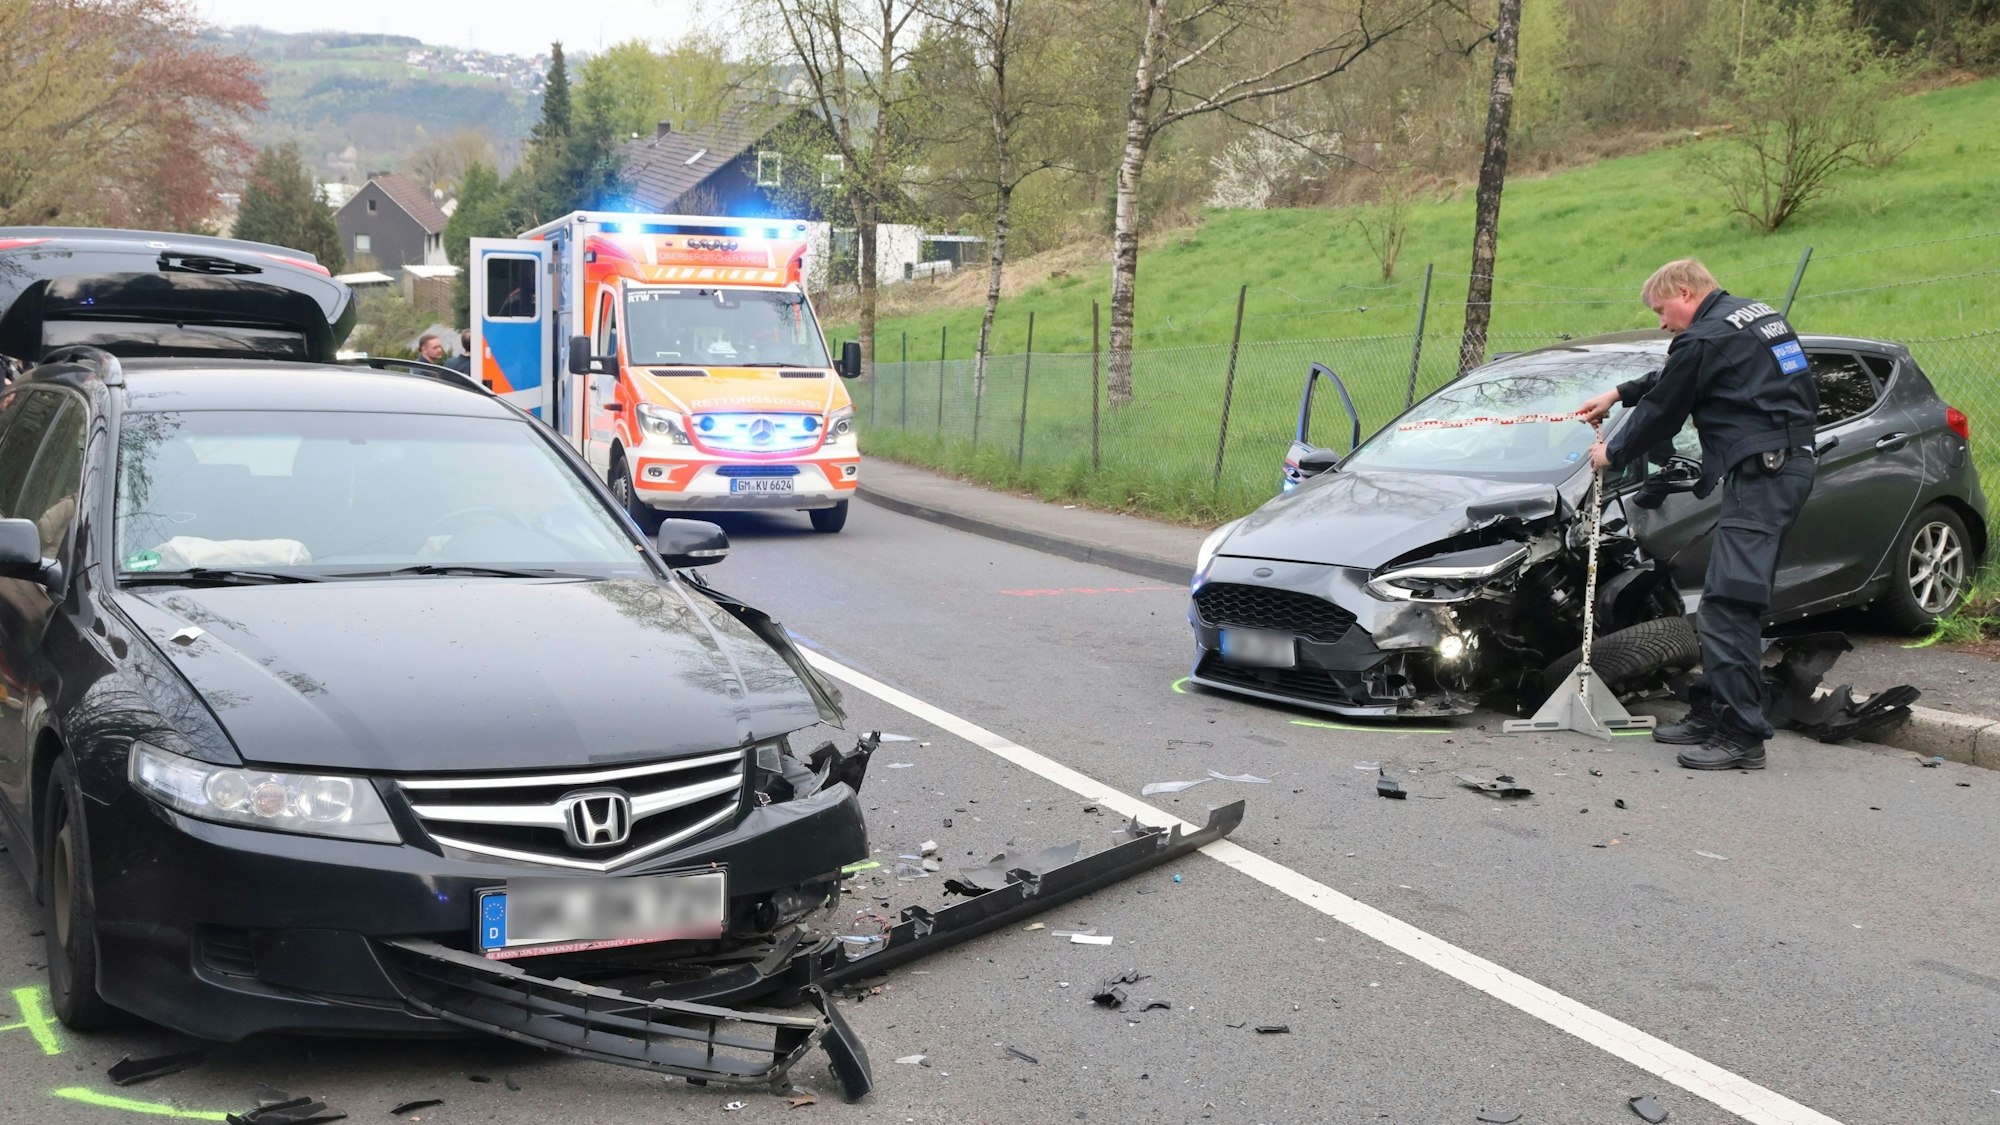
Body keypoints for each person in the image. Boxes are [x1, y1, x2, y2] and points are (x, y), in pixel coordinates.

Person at [1578, 259, 1819, 771]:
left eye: (1662, 311)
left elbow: (1667, 404)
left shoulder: (1708, 337)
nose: (1662, 323)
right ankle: (1711, 712)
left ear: (1683, 292)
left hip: (1765, 476)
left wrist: (1612, 455)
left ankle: (1740, 736)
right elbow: (1683, 369)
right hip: (1776, 468)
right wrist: (1620, 392)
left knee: (1730, 604)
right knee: (1722, 599)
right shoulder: (1750, 316)